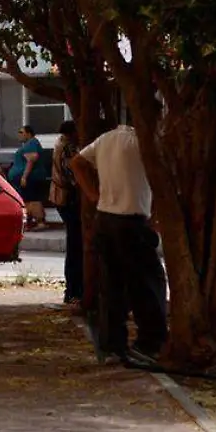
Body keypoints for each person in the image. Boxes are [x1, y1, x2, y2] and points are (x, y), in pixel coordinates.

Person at [70, 124, 168, 366]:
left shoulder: (106, 138)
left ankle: (112, 344)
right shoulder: (145, 142)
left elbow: (77, 163)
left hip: (106, 217)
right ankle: (150, 343)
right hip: (132, 219)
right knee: (148, 283)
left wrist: (94, 195)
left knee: (112, 285)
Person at [51, 120, 85, 308]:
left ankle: (73, 290)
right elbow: (74, 177)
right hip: (69, 200)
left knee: (75, 244)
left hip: (62, 199)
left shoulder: (60, 143)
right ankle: (73, 290)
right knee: (76, 245)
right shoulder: (68, 149)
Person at [6, 125, 51, 230]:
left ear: (29, 134)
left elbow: (32, 159)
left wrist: (24, 177)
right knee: (26, 200)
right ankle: (29, 222)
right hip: (27, 178)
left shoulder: (32, 143)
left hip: (31, 178)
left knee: (32, 200)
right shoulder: (28, 144)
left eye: (21, 132)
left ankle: (40, 222)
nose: (19, 135)